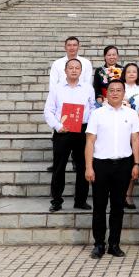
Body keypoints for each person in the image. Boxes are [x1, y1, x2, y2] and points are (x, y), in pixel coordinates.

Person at [84, 79, 139, 259]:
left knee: (118, 207)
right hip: (101, 165)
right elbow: (90, 141)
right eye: (112, 90)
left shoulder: (131, 114)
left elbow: (135, 140)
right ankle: (99, 244)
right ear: (106, 93)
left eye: (119, 90)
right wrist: (88, 167)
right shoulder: (97, 114)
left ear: (124, 93)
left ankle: (114, 244)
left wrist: (137, 163)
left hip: (123, 165)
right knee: (99, 206)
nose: (115, 93)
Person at [43, 57, 95, 212]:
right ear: (65, 71)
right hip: (63, 131)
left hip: (82, 131)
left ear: (81, 71)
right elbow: (48, 110)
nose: (74, 70)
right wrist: (58, 126)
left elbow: (93, 108)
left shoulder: (88, 88)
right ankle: (56, 200)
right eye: (71, 68)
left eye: (77, 68)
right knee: (59, 167)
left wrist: (90, 127)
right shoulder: (57, 88)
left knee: (82, 166)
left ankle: (80, 200)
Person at [121, 62, 139, 209]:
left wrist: (135, 117)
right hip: (120, 128)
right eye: (128, 71)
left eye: (134, 71)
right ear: (124, 74)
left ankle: (128, 195)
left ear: (138, 74)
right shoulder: (119, 87)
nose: (131, 74)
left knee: (134, 161)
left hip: (138, 127)